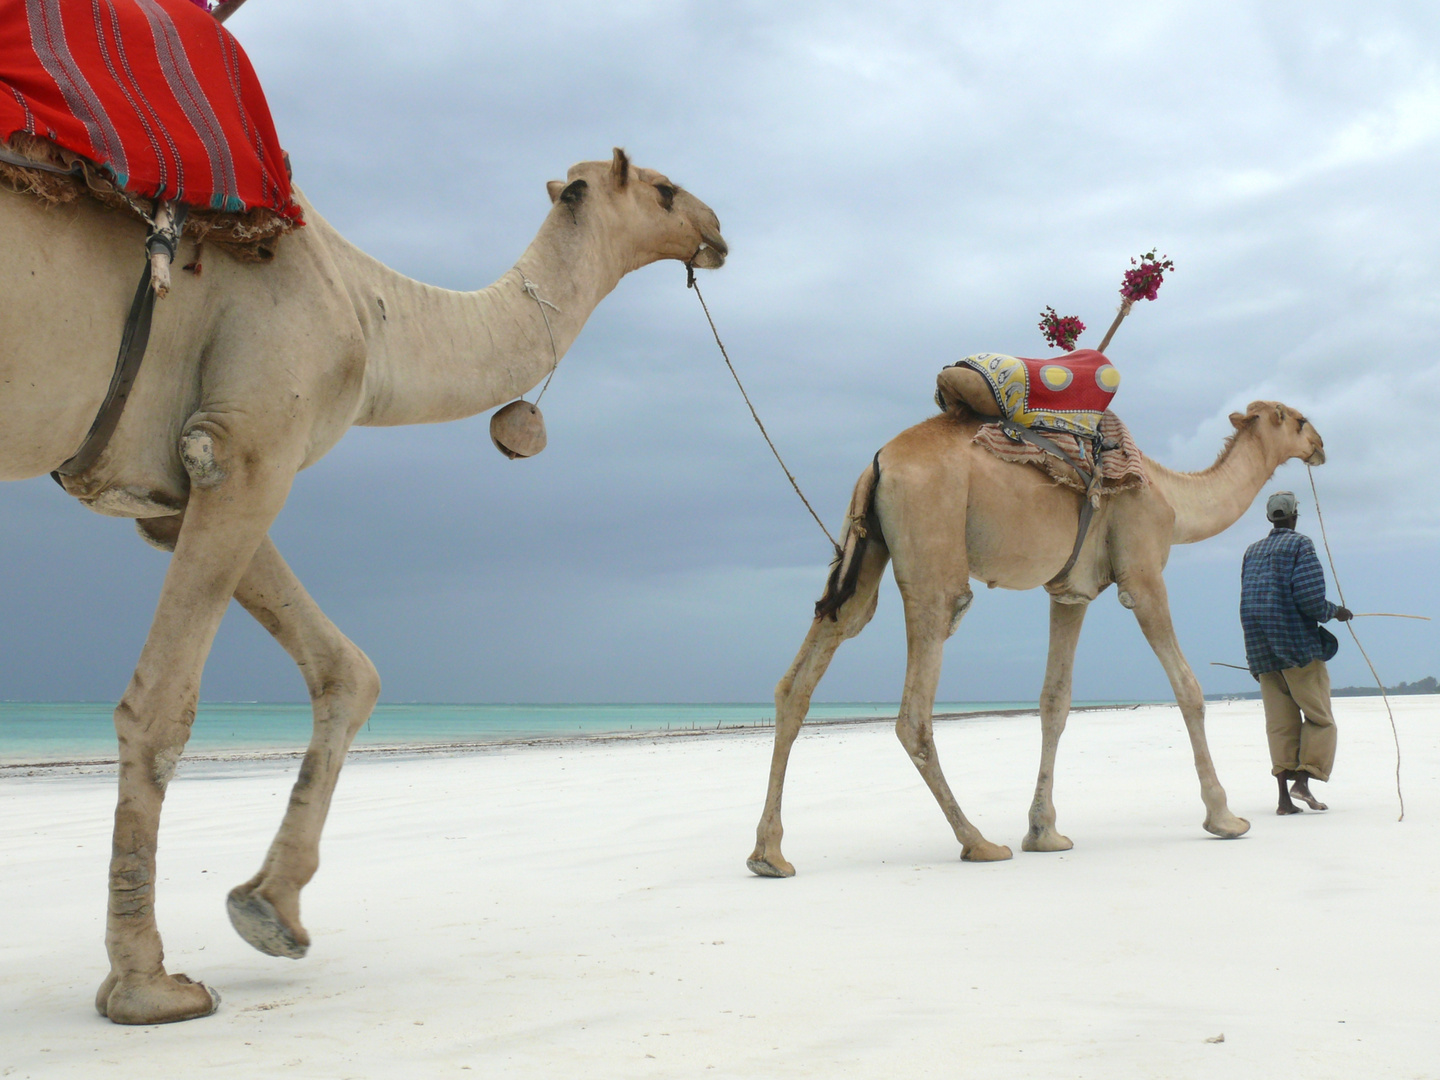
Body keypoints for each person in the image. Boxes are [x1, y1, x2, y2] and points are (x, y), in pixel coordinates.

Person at [1240, 491, 1352, 815]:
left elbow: (1248, 601)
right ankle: (1303, 781)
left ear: (1269, 518)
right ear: (1294, 516)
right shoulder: (1300, 544)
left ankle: (1283, 801)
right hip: (1296, 648)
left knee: (1280, 725)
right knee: (1319, 719)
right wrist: (1335, 612)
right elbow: (1309, 599)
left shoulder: (1252, 551)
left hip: (1261, 651)